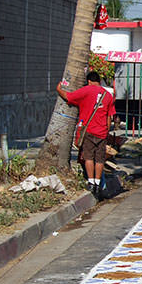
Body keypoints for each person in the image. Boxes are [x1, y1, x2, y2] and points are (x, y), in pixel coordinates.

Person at [56, 70, 116, 198]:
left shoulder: (86, 90)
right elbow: (109, 117)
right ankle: (98, 182)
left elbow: (69, 97)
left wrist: (59, 89)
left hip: (88, 130)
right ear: (99, 81)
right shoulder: (108, 95)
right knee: (99, 158)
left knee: (88, 157)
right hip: (101, 132)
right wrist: (106, 130)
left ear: (89, 81)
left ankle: (91, 182)